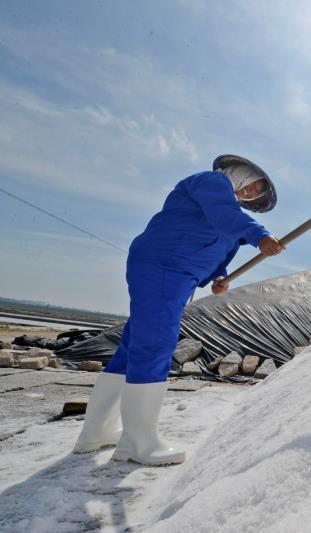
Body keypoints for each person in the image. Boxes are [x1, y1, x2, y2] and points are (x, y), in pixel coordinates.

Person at [73, 154, 284, 465]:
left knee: (132, 348)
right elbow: (226, 217)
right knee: (156, 344)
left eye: (258, 193)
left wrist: (219, 277)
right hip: (165, 265)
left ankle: (96, 431)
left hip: (176, 273)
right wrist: (260, 236)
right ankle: (138, 442)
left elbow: (218, 249)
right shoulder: (212, 183)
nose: (253, 193)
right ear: (241, 172)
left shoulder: (227, 213)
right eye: (255, 185)